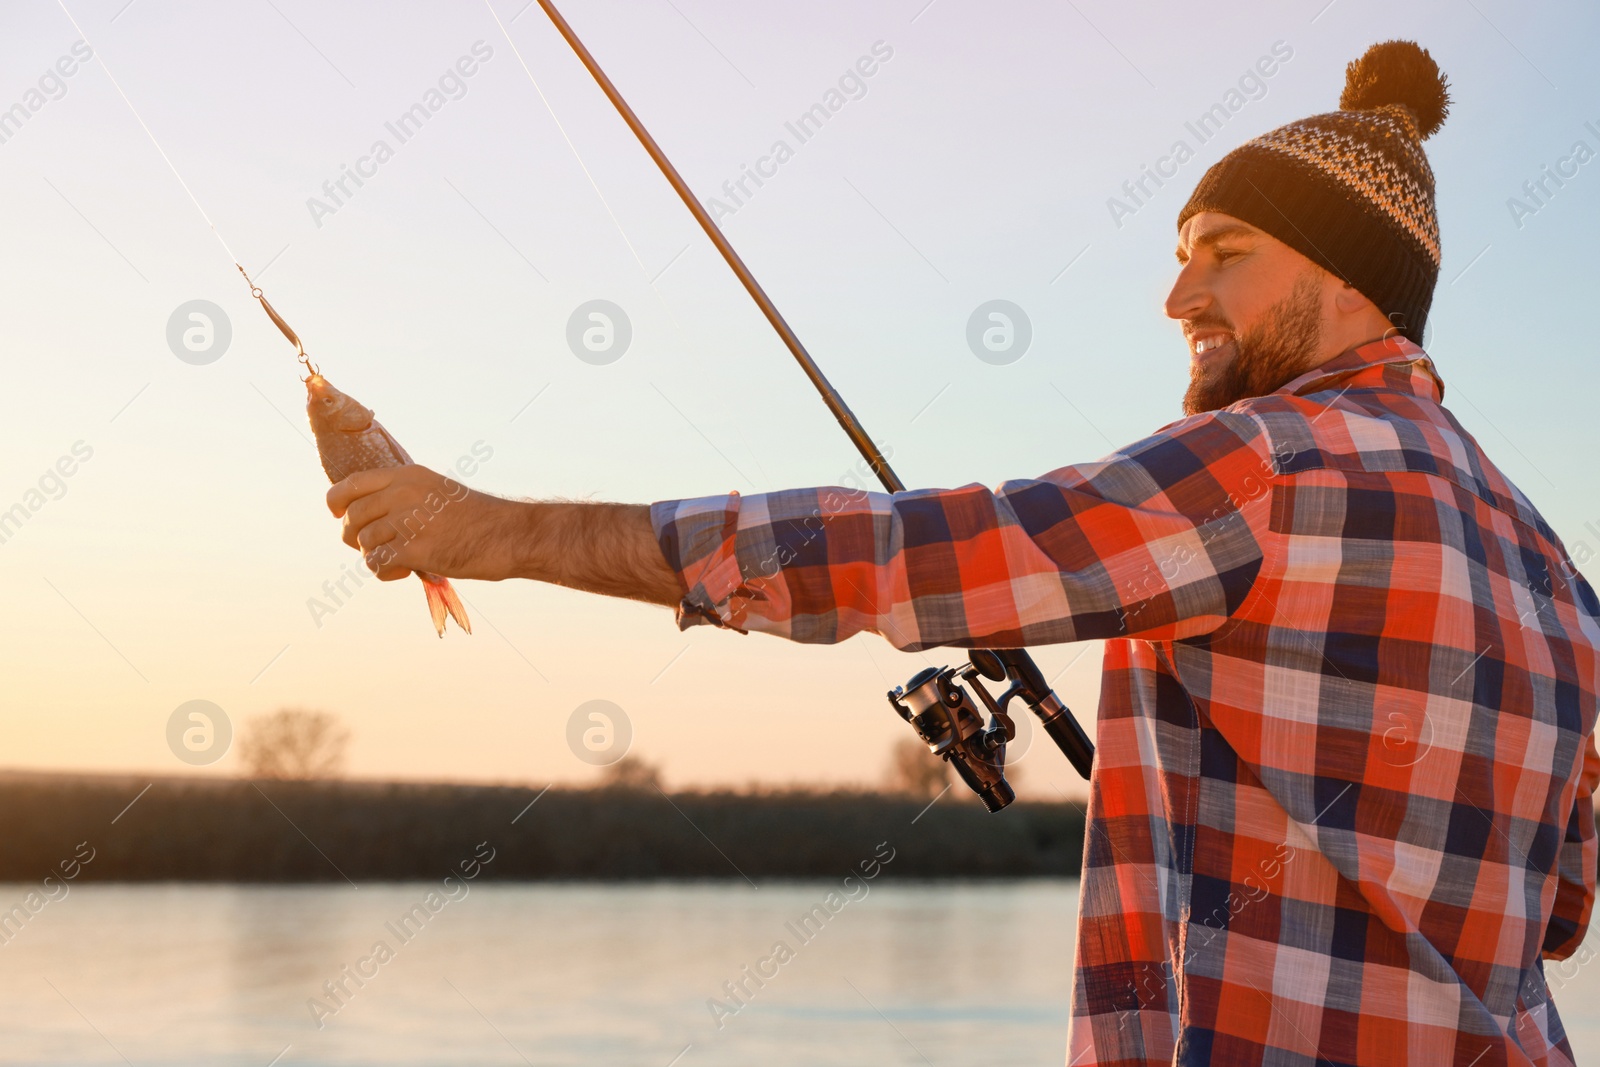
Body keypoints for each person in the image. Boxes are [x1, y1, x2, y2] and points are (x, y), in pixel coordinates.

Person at [327, 40, 1597, 1067]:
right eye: (1177, 259)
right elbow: (1556, 914)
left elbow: (913, 553)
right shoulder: (1557, 576)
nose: (1178, 298)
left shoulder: (1267, 463)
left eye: (1224, 254)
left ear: (1349, 277)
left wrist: (495, 530)